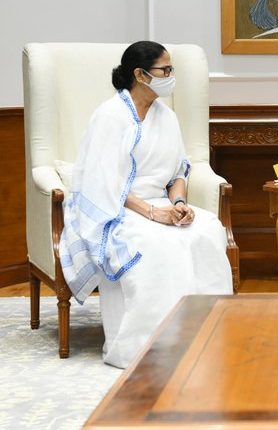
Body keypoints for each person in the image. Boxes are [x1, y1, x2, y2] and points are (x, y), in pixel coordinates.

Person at [59, 41, 233, 368]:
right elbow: (103, 184)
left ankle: (205, 335)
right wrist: (153, 213)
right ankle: (151, 347)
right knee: (154, 243)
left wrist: (178, 204)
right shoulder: (109, 116)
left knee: (206, 230)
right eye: (165, 70)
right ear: (140, 75)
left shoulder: (167, 117)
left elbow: (178, 172)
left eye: (171, 69)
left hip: (160, 204)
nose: (171, 76)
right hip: (118, 207)